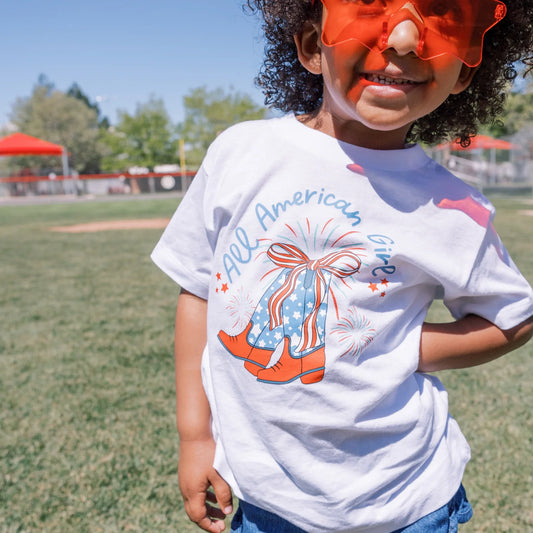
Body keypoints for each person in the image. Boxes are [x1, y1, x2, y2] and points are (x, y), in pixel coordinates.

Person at [152, 0, 533, 531]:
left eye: (441, 14)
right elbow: (197, 292)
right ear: (312, 46)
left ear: (466, 69)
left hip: (404, 502)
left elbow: (514, 319)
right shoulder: (239, 153)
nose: (403, 37)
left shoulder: (452, 208)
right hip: (265, 501)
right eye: (370, 5)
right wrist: (196, 438)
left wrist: (403, 345)